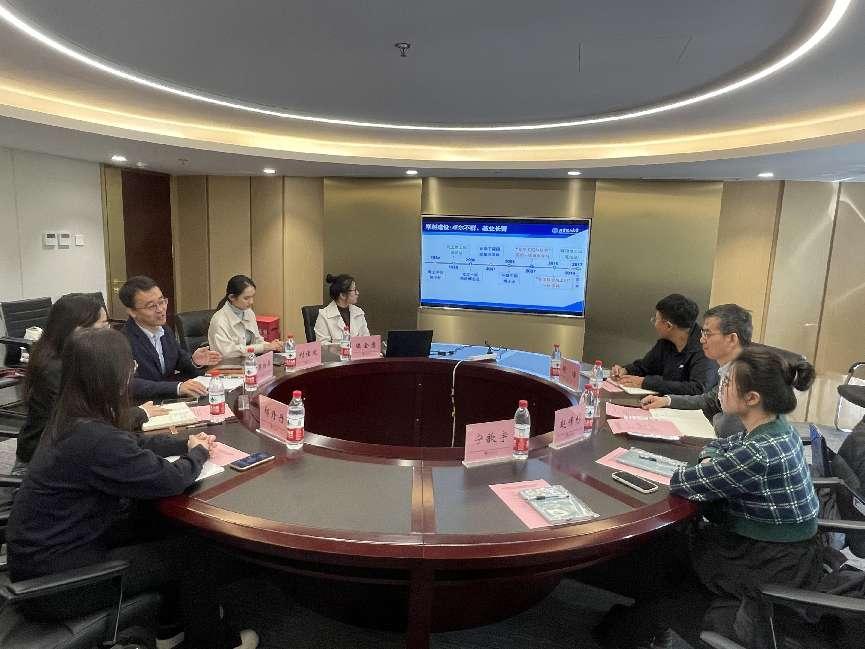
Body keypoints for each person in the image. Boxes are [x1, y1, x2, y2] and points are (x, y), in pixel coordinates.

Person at [6, 328, 257, 649]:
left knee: (158, 524)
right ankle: (213, 642)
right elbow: (169, 479)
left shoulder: (72, 416)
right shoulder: (94, 436)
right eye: (131, 366)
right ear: (112, 377)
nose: (133, 372)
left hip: (50, 554)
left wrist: (184, 443)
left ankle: (170, 627)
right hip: (59, 585)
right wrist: (197, 455)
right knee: (194, 551)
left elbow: (132, 443)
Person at [669, 347, 820, 648]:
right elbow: (722, 444)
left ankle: (656, 624)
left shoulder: (758, 452)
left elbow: (682, 481)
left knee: (668, 551)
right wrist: (711, 458)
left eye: (726, 383)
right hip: (792, 551)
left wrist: (708, 462)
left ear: (752, 398)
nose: (720, 389)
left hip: (769, 562)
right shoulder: (775, 426)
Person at [14, 293, 165, 474]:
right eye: (104, 325)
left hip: (71, 449)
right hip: (43, 462)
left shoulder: (75, 358)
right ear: (79, 330)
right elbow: (86, 424)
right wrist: (138, 411)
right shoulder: (54, 370)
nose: (109, 331)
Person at [640, 303, 752, 438]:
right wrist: (667, 400)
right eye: (702, 333)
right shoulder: (729, 368)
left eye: (707, 334)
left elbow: (727, 429)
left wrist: (715, 417)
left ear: (732, 339)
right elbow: (709, 400)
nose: (701, 340)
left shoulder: (749, 375)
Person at [120, 275, 222, 401]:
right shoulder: (122, 341)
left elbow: (179, 360)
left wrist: (195, 361)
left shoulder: (165, 330)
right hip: (146, 405)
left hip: (171, 401)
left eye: (162, 301)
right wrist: (177, 388)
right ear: (132, 312)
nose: (161, 309)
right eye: (151, 306)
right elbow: (131, 384)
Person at [610, 293, 717, 395]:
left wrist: (646, 383)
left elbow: (698, 388)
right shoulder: (666, 342)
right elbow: (645, 367)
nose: (654, 324)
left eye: (655, 320)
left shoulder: (705, 347)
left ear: (668, 326)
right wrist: (625, 370)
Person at [208, 275, 282, 359]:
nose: (251, 302)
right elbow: (227, 352)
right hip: (227, 364)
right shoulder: (219, 320)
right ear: (232, 297)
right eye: (246, 298)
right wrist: (264, 347)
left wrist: (272, 346)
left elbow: (257, 341)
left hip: (249, 361)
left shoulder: (248, 312)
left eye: (252, 296)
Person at [314, 273, 370, 343]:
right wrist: (343, 347)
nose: (357, 293)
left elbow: (366, 339)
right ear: (343, 295)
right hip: (336, 351)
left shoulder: (358, 312)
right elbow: (322, 345)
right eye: (354, 290)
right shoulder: (324, 315)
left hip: (357, 350)